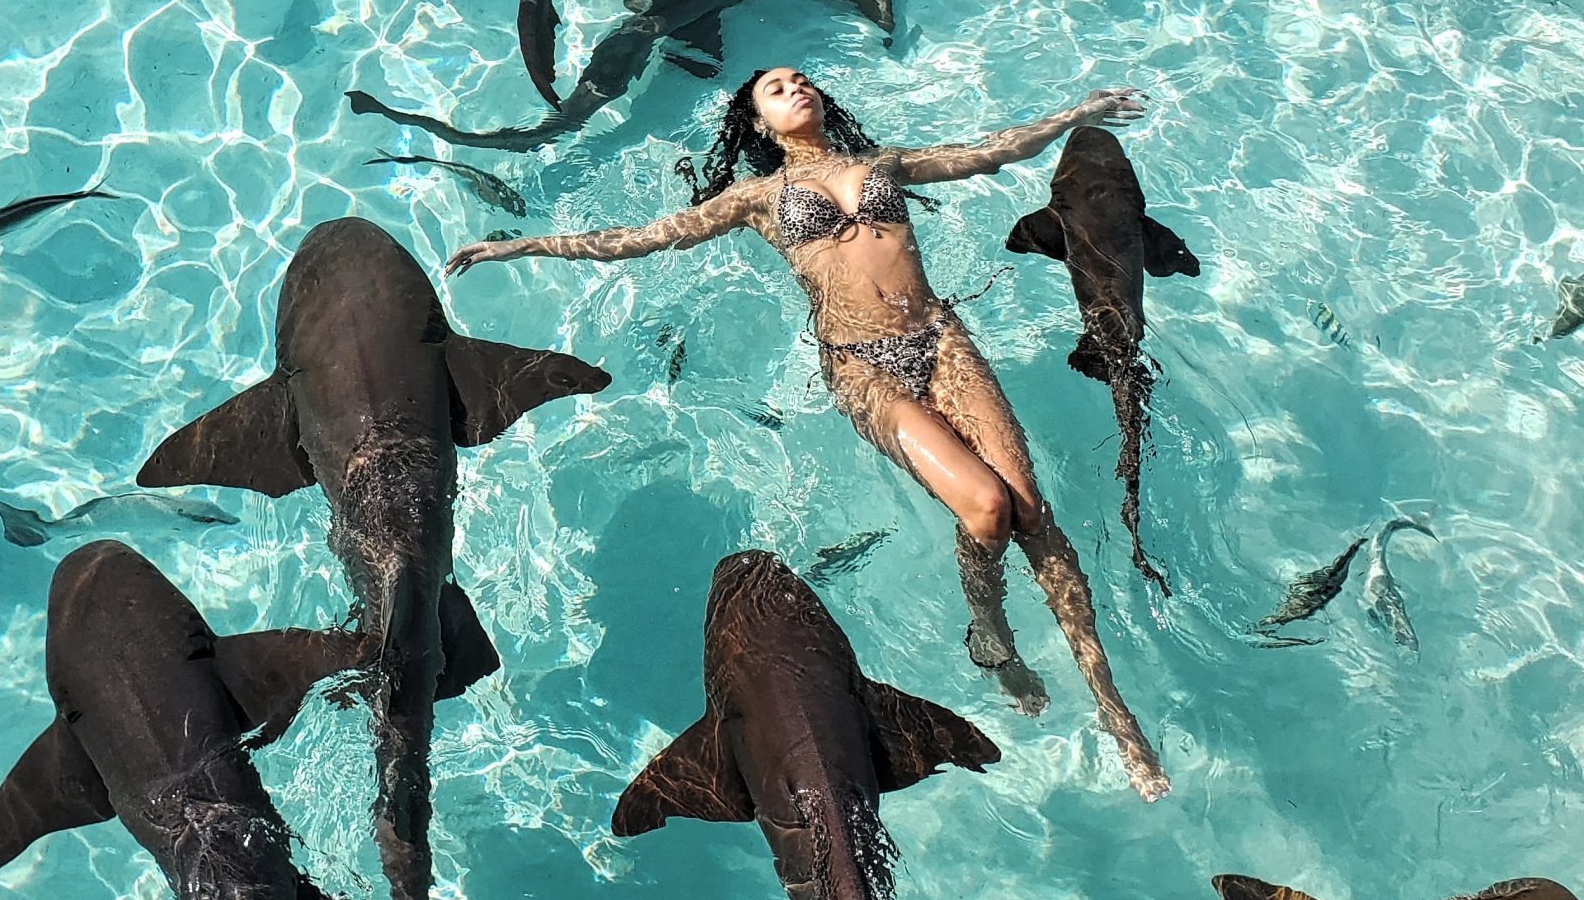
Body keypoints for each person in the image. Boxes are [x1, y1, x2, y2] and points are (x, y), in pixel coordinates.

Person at [447, 66, 1167, 801]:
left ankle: (1118, 718)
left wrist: (1078, 111)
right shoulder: (757, 199)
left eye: (801, 81)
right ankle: (990, 631)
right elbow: (643, 238)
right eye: (775, 89)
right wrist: (518, 248)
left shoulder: (880, 165)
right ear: (758, 123)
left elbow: (987, 151)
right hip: (863, 367)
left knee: (1034, 517)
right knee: (985, 507)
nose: (795, 89)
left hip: (943, 340)